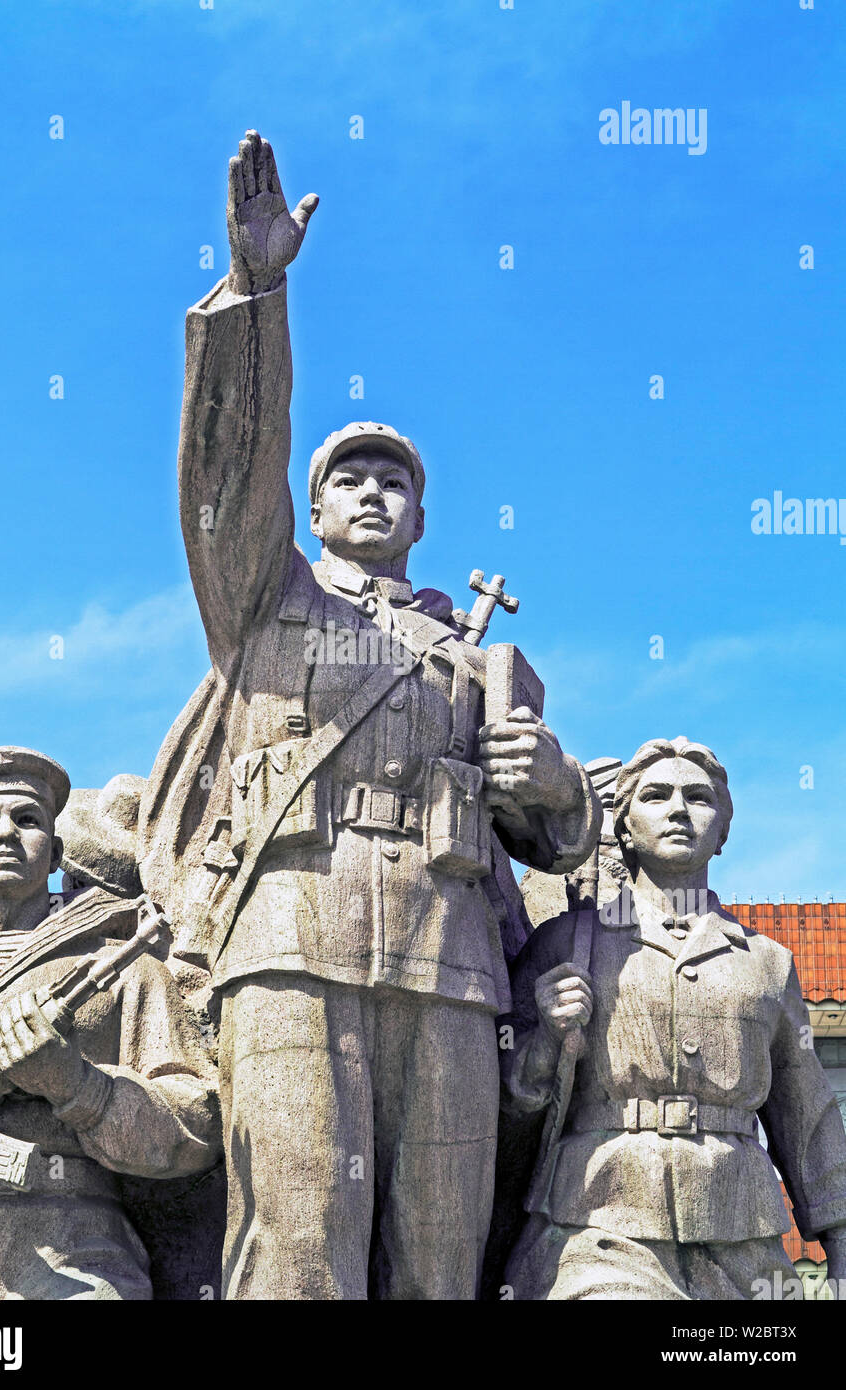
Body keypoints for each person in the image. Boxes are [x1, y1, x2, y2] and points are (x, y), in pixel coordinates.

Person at [137, 131, 601, 1299]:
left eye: (396, 481)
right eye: (350, 478)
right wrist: (257, 296)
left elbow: (557, 838)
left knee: (440, 1248)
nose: (375, 492)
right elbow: (225, 477)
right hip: (289, 940)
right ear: (311, 510)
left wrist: (548, 780)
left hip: (450, 962)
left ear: (422, 519)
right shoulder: (264, 597)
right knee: (299, 1232)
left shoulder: (477, 657)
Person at [500, 735, 846, 1300]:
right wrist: (545, 1039)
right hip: (599, 1230)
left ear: (723, 830)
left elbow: (807, 1110)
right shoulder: (566, 944)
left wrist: (839, 1231)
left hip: (743, 1235)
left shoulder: (766, 963)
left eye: (699, 798)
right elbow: (500, 1099)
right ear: (624, 825)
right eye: (656, 795)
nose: (679, 810)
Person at [0, 746, 220, 1300]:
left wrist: (78, 1086)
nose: (6, 833)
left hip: (80, 1258)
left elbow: (199, 1128)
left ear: (56, 853)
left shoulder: (125, 970)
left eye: (28, 819)